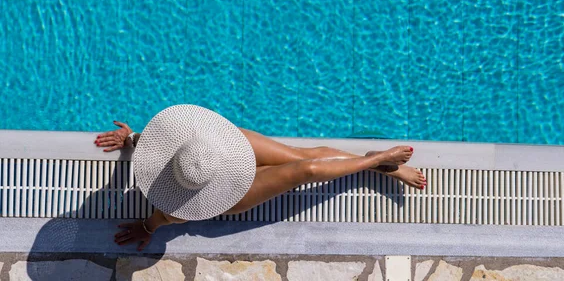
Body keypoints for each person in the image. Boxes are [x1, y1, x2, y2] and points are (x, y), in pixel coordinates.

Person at [94, 105, 427, 251]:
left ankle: (372, 162)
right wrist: (149, 225)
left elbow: (157, 144)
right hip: (231, 189)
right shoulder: (181, 204)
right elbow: (164, 214)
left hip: (221, 151)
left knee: (304, 156)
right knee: (305, 170)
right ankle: (373, 162)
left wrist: (132, 138)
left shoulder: (185, 163)